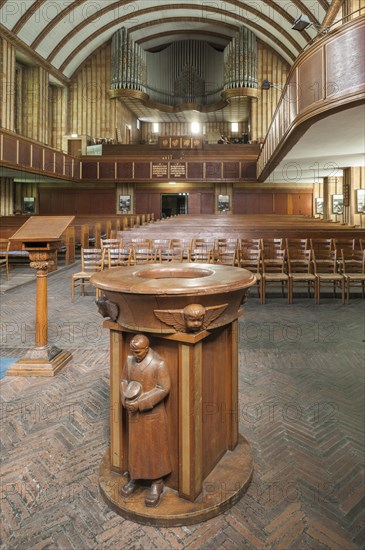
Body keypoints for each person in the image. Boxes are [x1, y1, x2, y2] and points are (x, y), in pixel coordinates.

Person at [120, 334, 171, 507]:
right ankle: (135, 476)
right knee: (136, 446)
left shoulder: (159, 363)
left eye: (139, 352)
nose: (135, 355)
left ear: (147, 348)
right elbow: (123, 380)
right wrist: (124, 399)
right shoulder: (129, 361)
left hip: (152, 414)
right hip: (133, 414)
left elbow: (163, 388)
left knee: (153, 446)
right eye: (133, 351)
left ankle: (157, 482)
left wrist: (141, 403)